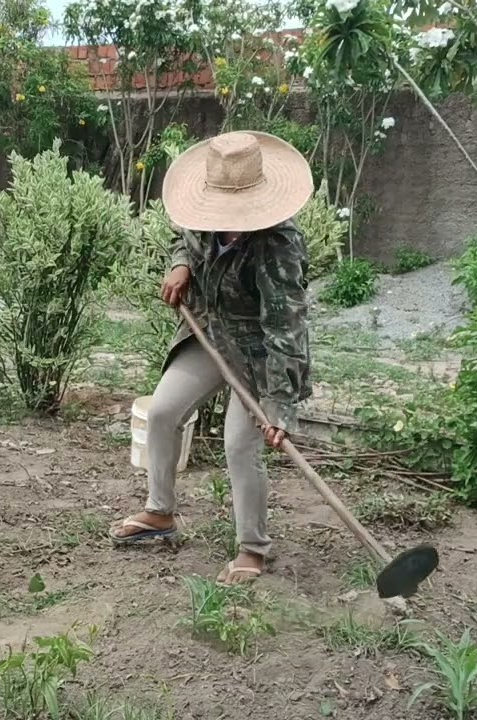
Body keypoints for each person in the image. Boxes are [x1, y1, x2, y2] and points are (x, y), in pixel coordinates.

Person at [109, 130, 315, 585]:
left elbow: (286, 326)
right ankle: (160, 513)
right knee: (162, 412)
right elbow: (185, 239)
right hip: (208, 336)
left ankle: (252, 549)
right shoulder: (204, 215)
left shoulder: (278, 246)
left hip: (259, 355)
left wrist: (279, 403)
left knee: (240, 445)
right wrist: (181, 265)